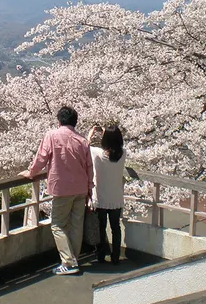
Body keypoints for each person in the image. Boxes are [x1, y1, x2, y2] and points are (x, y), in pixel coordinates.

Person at [19, 106, 94, 275]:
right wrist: (90, 188)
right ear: (75, 122)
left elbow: (41, 158)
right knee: (76, 225)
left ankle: (68, 263)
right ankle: (73, 259)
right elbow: (90, 167)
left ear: (59, 120)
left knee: (58, 225)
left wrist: (31, 173)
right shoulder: (83, 140)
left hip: (62, 188)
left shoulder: (52, 136)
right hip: (81, 187)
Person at [87, 124, 126, 264]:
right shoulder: (123, 154)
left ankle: (101, 256)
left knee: (101, 228)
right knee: (116, 228)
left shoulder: (98, 153)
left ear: (105, 140)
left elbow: (85, 146)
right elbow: (117, 146)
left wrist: (92, 133)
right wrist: (108, 132)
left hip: (101, 197)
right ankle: (116, 256)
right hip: (116, 197)